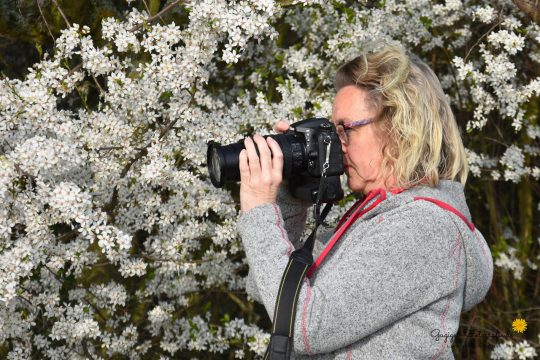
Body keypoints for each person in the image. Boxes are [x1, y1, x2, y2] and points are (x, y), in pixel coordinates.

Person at [236, 45, 494, 359]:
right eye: (332, 131)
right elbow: (268, 291)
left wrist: (260, 208)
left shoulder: (423, 227)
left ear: (400, 128)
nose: (336, 145)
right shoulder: (371, 220)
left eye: (345, 130)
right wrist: (291, 196)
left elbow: (305, 327)